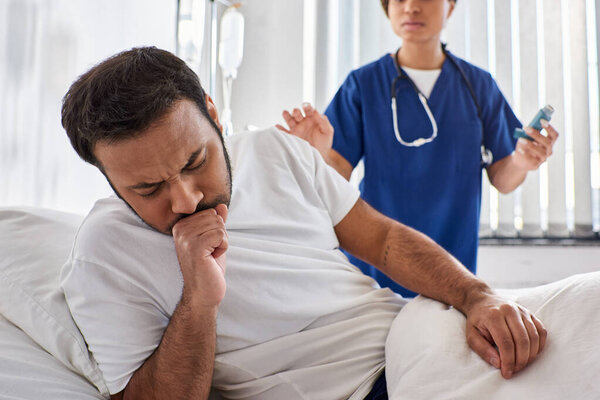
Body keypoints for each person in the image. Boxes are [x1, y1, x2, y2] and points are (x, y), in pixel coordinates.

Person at [59, 47, 546, 400]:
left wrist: (476, 296)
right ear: (110, 181)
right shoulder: (103, 255)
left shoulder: (276, 150)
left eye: (195, 161)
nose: (186, 201)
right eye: (148, 189)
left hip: (418, 337)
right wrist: (198, 300)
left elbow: (383, 239)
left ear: (212, 114)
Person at [277, 0, 559, 298]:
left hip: (451, 271)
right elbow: (335, 178)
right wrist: (314, 155)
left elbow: (503, 178)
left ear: (450, 6)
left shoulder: (478, 86)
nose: (411, 7)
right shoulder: (363, 84)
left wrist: (522, 161)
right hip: (371, 270)